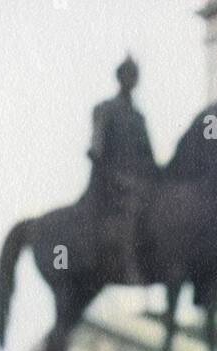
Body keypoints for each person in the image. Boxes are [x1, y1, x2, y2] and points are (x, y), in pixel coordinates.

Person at [88, 55, 156, 284]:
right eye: (127, 75)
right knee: (132, 208)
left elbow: (149, 158)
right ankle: (130, 268)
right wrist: (118, 179)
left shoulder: (139, 117)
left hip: (137, 183)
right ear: (120, 78)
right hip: (110, 181)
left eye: (134, 76)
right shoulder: (105, 109)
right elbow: (96, 152)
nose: (131, 80)